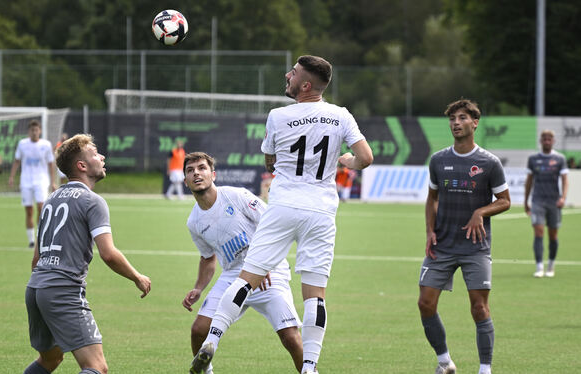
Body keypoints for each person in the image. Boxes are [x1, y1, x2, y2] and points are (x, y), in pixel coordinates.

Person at [189, 55, 373, 374]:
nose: (287, 75)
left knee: (245, 278)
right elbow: (365, 158)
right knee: (315, 295)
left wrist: (279, 166)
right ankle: (309, 368)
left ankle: (213, 341)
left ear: (305, 85)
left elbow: (270, 162)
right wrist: (344, 160)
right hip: (321, 210)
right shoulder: (341, 115)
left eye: (294, 73)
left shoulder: (278, 116)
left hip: (284, 205)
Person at [23, 134, 151, 374]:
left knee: (50, 359)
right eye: (94, 154)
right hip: (62, 290)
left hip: (35, 289)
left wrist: (44, 290)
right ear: (81, 166)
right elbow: (108, 254)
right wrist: (137, 277)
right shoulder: (93, 201)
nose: (101, 157)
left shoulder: (50, 200)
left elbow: (36, 259)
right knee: (96, 367)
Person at [183, 152, 303, 374]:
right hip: (232, 276)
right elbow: (208, 258)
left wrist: (262, 265)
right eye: (190, 171)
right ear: (185, 180)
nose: (196, 173)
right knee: (199, 330)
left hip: (269, 269)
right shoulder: (194, 222)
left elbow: (272, 225)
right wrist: (198, 288)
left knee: (290, 336)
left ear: (213, 174)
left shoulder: (235, 196)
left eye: (202, 168)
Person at [418, 99, 511, 374]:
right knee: (425, 303)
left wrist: (481, 211)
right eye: (452, 119)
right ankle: (445, 362)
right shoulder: (438, 160)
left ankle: (485, 369)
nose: (456, 123)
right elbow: (432, 198)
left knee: (479, 308)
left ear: (475, 122)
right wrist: (429, 230)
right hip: (442, 245)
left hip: (475, 248)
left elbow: (505, 200)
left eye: (462, 118)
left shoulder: (489, 162)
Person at [524, 130, 569, 278]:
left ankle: (551, 265)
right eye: (544, 139)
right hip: (538, 201)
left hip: (554, 202)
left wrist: (563, 197)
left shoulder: (560, 158)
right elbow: (529, 181)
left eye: (549, 139)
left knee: (553, 235)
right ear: (541, 141)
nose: (547, 141)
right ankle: (539, 267)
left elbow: (565, 180)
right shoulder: (533, 159)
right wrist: (526, 201)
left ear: (553, 141)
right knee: (538, 232)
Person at [9, 120, 57, 248]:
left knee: (41, 208)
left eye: (36, 130)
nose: (34, 132)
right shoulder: (22, 144)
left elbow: (50, 164)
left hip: (41, 181)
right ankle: (31, 240)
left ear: (40, 131)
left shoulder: (46, 145)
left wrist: (53, 182)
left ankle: (39, 237)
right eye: (32, 130)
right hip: (26, 181)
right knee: (29, 211)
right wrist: (12, 177)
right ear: (29, 132)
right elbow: (17, 161)